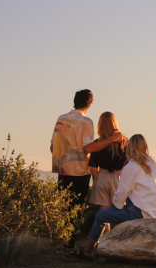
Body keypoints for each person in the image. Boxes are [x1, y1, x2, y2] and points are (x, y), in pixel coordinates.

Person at [51, 90, 124, 245]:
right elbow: (88, 148)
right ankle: (71, 241)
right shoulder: (86, 122)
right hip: (79, 171)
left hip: (63, 169)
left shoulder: (60, 119)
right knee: (77, 207)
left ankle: (62, 239)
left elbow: (53, 147)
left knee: (63, 205)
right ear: (89, 103)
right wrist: (111, 139)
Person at [78, 134, 156, 259]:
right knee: (124, 202)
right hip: (155, 211)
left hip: (140, 212)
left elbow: (121, 193)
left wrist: (112, 207)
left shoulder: (131, 166)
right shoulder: (151, 163)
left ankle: (88, 250)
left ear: (129, 148)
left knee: (101, 215)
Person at [88, 112, 128, 232]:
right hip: (118, 178)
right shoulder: (124, 142)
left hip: (102, 176)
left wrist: (97, 181)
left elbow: (94, 168)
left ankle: (103, 240)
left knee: (103, 213)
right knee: (117, 212)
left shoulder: (97, 144)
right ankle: (115, 242)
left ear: (100, 125)